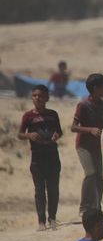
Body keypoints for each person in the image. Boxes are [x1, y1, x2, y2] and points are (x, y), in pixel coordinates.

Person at [71, 73, 103, 214]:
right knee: (90, 174)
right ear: (96, 88)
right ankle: (84, 207)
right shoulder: (83, 105)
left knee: (100, 182)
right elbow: (73, 127)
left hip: (95, 146)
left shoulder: (102, 105)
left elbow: (100, 122)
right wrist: (89, 130)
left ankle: (96, 208)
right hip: (83, 146)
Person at [20, 84, 63, 230]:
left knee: (53, 189)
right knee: (39, 190)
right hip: (37, 157)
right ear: (32, 97)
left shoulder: (53, 114)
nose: (38, 98)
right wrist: (29, 135)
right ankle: (41, 221)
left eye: (41, 96)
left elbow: (59, 131)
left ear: (47, 98)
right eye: (35, 95)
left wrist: (56, 135)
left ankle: (52, 218)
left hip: (52, 155)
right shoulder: (28, 116)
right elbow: (19, 134)